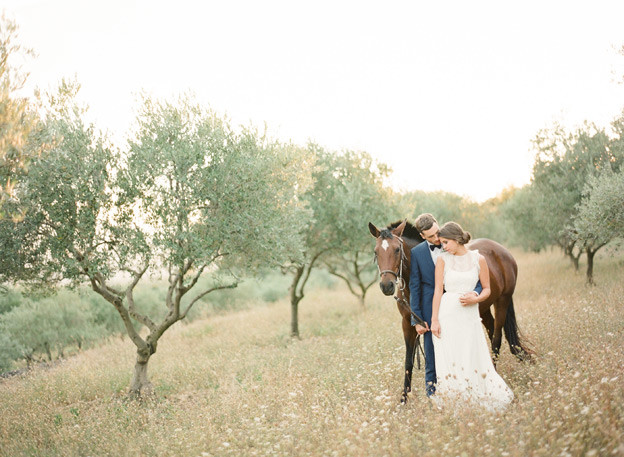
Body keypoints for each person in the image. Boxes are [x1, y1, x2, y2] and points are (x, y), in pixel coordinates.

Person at [430, 221, 514, 410]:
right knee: (451, 355)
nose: (443, 247)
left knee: (470, 352)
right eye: (442, 244)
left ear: (456, 239)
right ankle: (455, 397)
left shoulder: (479, 259)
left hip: (469, 314)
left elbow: (487, 289)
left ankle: (477, 393)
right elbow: (437, 291)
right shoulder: (443, 260)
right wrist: (434, 320)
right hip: (447, 312)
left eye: (445, 242)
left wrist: (475, 298)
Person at [409, 214, 482, 397]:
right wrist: (417, 319)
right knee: (432, 355)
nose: (437, 239)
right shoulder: (417, 253)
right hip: (429, 309)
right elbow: (414, 287)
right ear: (423, 236)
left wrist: (475, 293)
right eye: (431, 236)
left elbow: (474, 275)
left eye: (437, 233)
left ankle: (466, 389)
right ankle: (433, 397)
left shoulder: (454, 244)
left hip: (459, 307)